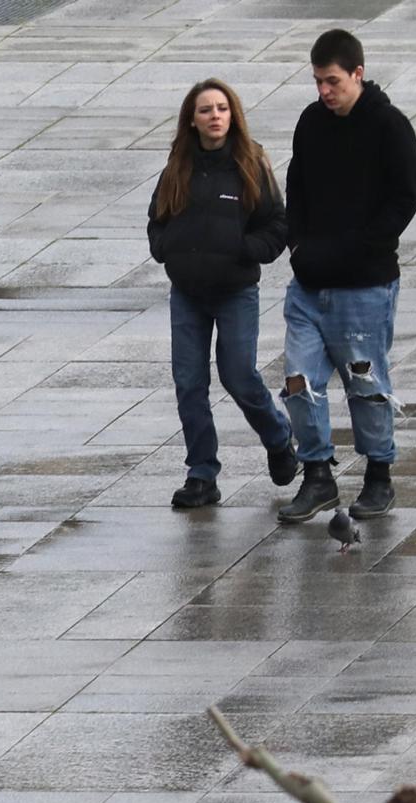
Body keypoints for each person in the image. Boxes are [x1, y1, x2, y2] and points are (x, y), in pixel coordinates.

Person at [277, 28, 416, 523]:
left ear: (358, 73)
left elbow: (404, 200)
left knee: (366, 384)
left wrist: (360, 248)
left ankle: (379, 475)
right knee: (299, 381)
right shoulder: (310, 122)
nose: (324, 91)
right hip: (309, 286)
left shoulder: (389, 126)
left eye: (333, 81)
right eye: (318, 81)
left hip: (365, 286)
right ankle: (317, 474)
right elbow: (296, 185)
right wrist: (298, 244)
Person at [147, 78, 298, 510]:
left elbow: (277, 224)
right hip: (187, 294)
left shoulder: (250, 164)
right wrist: (166, 248)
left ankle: (279, 438)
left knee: (239, 375)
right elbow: (157, 220)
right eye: (205, 110)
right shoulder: (177, 167)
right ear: (191, 121)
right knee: (189, 383)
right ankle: (201, 474)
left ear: (233, 116)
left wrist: (245, 250)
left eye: (221, 108)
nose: (215, 116)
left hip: (235, 292)